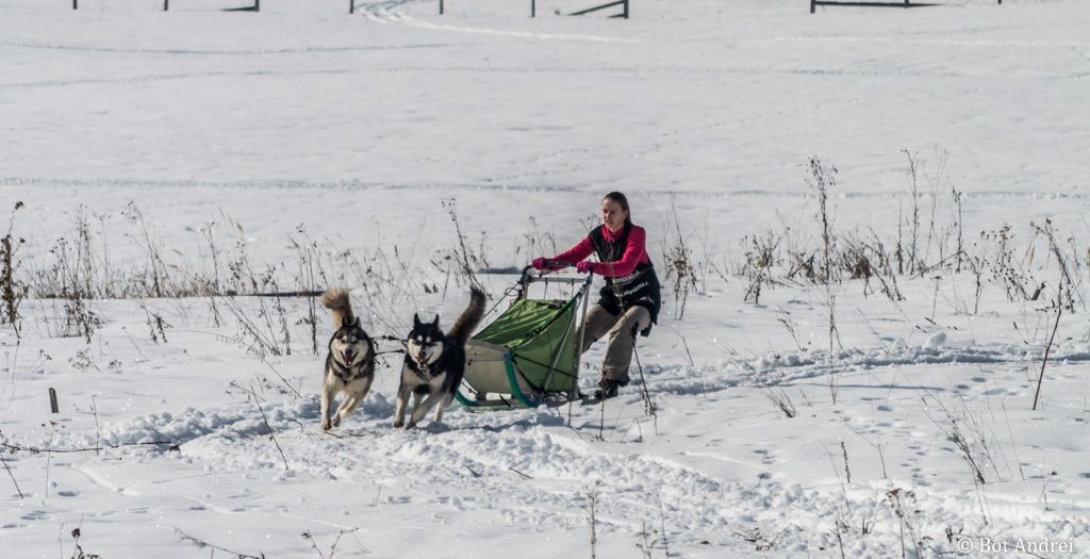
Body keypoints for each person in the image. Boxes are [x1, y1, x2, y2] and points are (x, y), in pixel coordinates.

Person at [531, 192, 662, 400]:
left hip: (642, 299)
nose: (607, 216)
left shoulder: (636, 234)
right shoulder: (599, 235)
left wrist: (595, 266)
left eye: (613, 212)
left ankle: (610, 381)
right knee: (581, 332)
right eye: (604, 211)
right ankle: (557, 381)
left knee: (624, 327)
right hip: (614, 299)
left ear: (625, 213)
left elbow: (626, 267)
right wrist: (549, 264)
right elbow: (574, 255)